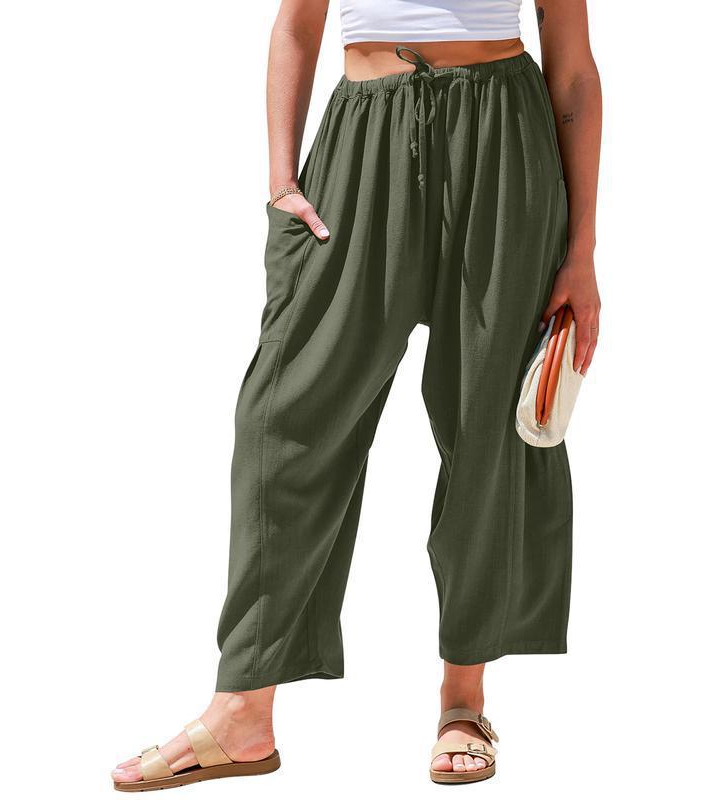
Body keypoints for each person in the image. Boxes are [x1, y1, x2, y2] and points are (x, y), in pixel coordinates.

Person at [112, 0, 601, 790]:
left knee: (487, 422)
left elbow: (572, 68)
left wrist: (581, 252)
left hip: (503, 135)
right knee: (283, 414)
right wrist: (281, 181)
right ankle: (243, 710)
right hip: (362, 135)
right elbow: (296, 24)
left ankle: (464, 699)